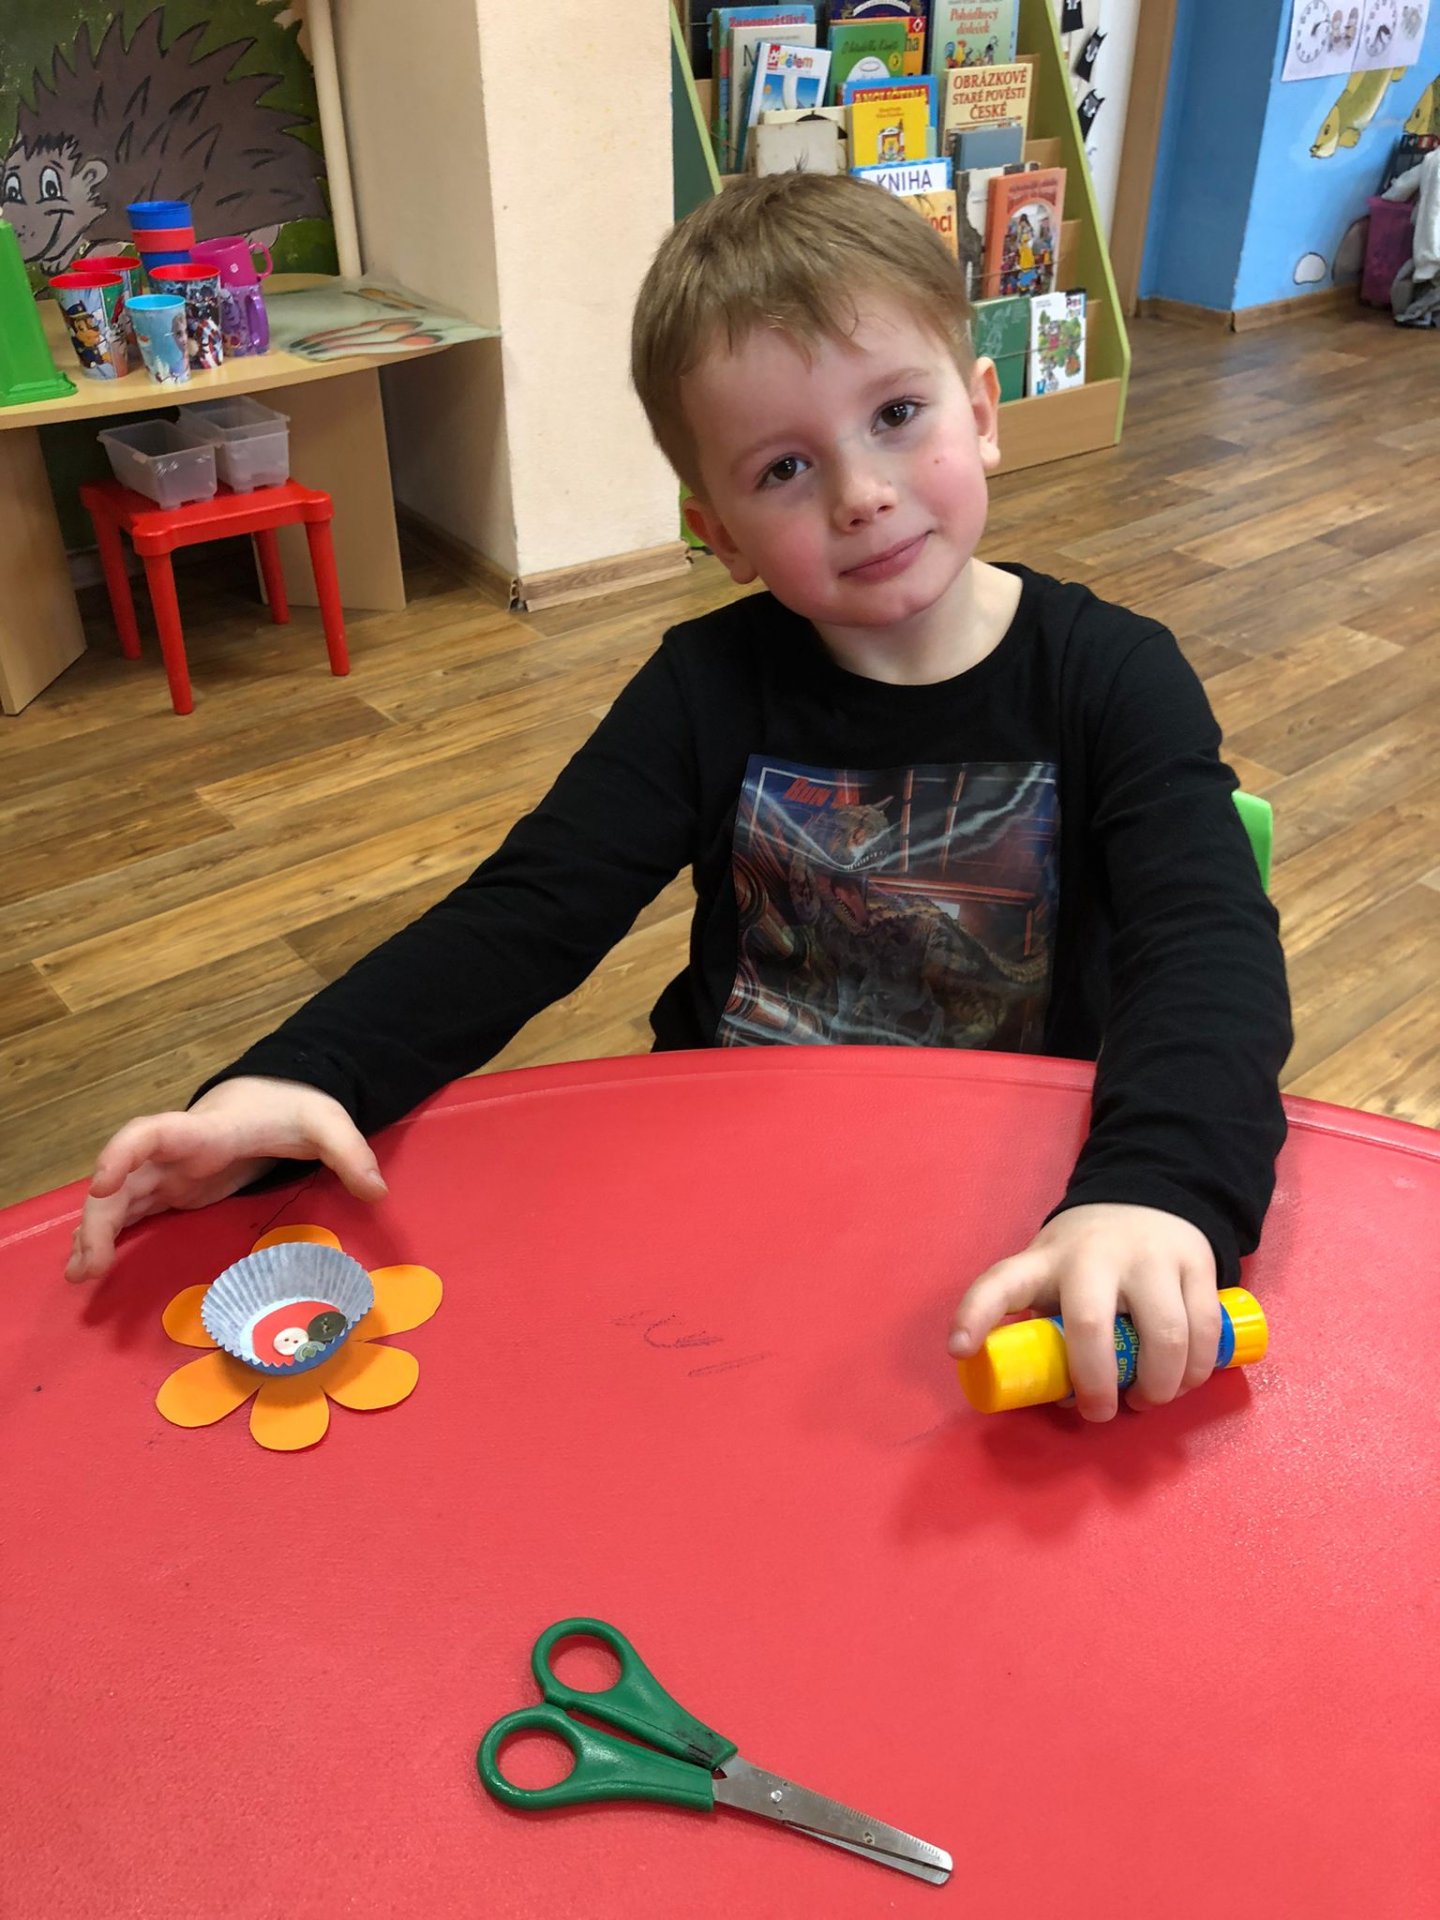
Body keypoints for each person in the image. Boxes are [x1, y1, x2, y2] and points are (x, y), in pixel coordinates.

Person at [65, 172, 1291, 1421]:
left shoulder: (1114, 676)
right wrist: (301, 1077)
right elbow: (526, 915)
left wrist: (1157, 1188)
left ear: (980, 412)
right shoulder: (703, 688)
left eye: (897, 413)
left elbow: (1206, 943)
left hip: (1012, 1200)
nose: (860, 493)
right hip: (726, 1184)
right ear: (721, 535)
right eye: (785, 468)